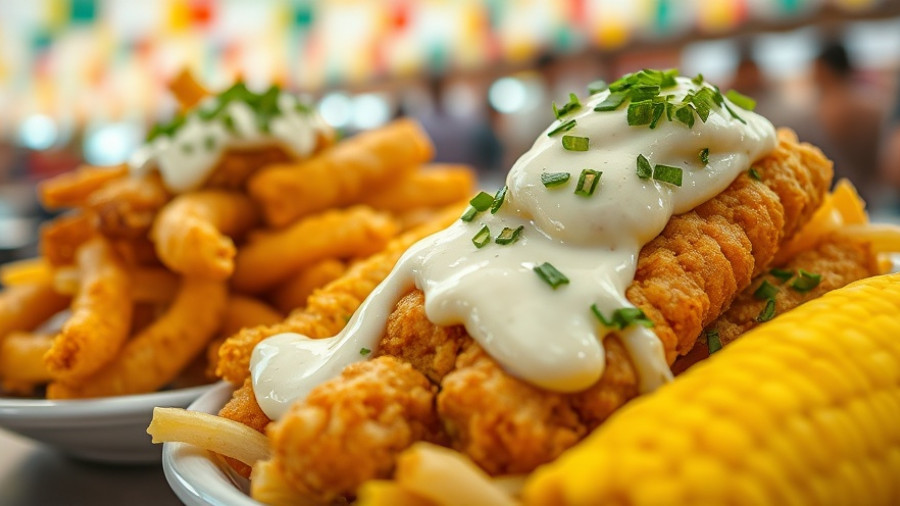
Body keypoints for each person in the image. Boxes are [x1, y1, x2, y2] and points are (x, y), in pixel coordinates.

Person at [811, 42, 886, 208]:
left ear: (823, 69)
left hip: (844, 200)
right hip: (877, 192)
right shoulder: (873, 103)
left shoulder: (827, 109)